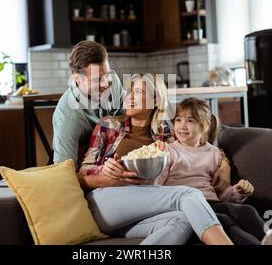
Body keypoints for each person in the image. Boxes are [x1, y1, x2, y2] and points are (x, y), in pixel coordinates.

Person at [53, 41, 232, 192]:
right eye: (96, 80)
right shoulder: (70, 119)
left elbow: (195, 146)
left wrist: (223, 164)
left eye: (107, 75)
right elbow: (62, 177)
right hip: (100, 181)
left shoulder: (163, 130)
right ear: (77, 79)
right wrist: (104, 176)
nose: (106, 83)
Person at [77, 74, 233, 245]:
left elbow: (196, 147)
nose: (129, 97)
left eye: (138, 92)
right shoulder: (109, 125)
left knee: (184, 220)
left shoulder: (166, 133)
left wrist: (224, 164)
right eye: (129, 92)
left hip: (143, 209)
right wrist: (103, 171)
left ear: (156, 100)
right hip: (105, 203)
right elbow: (81, 173)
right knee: (188, 194)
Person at [155, 97, 272, 245]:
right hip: (186, 207)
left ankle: (271, 240)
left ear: (204, 126)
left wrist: (237, 191)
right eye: (178, 120)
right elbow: (157, 184)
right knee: (225, 221)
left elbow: (220, 193)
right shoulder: (168, 150)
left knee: (246, 211)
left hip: (212, 203)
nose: (182, 126)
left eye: (190, 121)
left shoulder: (214, 153)